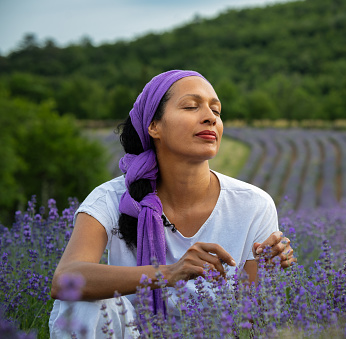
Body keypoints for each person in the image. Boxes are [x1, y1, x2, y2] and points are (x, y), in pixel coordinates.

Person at [48, 70, 296, 338]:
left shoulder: (252, 204)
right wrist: (167, 273)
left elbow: (252, 323)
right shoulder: (111, 198)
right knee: (84, 304)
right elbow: (65, 279)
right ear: (154, 126)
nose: (210, 117)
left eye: (217, 110)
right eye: (191, 106)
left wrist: (267, 272)